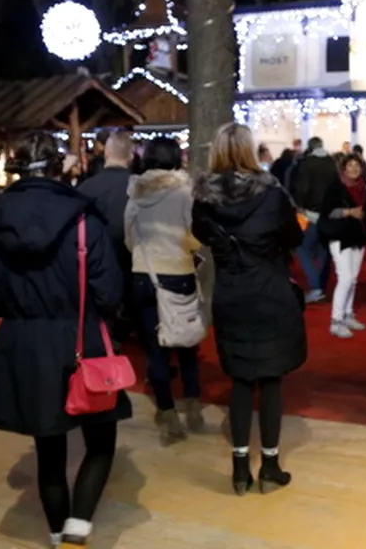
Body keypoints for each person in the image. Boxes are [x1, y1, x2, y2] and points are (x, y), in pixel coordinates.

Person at [0, 133, 129, 549]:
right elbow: (108, 293)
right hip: (81, 337)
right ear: (60, 168)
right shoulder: (84, 220)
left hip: (24, 342)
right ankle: (78, 525)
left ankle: (60, 533)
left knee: (48, 448)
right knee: (101, 440)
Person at [192, 123, 305, 496]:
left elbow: (201, 234)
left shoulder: (204, 199)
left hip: (231, 293)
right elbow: (294, 235)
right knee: (271, 379)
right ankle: (269, 465)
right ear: (249, 150)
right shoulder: (271, 194)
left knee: (240, 380)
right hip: (269, 292)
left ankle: (240, 468)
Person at [124, 137, 205, 446]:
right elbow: (195, 235)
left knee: (155, 348)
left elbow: (130, 236)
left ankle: (168, 414)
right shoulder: (185, 192)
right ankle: (193, 407)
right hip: (178, 272)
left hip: (144, 273)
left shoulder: (136, 193)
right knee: (186, 343)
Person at [318, 154, 366, 338]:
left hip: (358, 236)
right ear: (344, 168)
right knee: (345, 278)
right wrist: (348, 212)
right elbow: (327, 212)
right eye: (350, 165)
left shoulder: (364, 187)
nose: (354, 169)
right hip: (340, 236)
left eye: (357, 165)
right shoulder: (336, 187)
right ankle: (336, 321)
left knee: (353, 278)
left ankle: (348, 314)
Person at [78, 132, 136, 291]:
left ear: (106, 153)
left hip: (96, 263)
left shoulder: (87, 188)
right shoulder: (140, 188)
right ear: (131, 156)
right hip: (133, 262)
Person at [288, 137, 338, 303]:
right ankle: (321, 284)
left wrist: (299, 206)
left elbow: (302, 188)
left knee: (302, 249)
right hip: (329, 214)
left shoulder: (306, 164)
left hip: (310, 213)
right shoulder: (332, 163)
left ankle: (316, 286)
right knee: (323, 251)